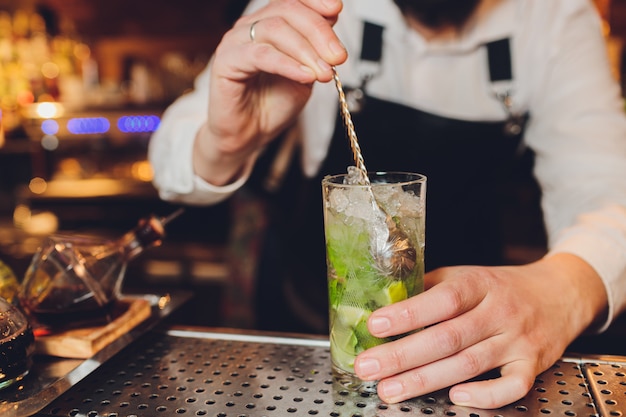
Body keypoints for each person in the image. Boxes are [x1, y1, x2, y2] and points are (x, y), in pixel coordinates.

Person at [148, 0, 626, 409]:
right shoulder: (315, 10)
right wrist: (225, 141)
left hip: (471, 355)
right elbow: (171, 162)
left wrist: (559, 291)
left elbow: (610, 194)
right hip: (305, 346)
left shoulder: (555, 15)